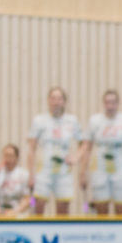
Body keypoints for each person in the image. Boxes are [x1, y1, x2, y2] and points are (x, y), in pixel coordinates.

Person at [81, 90, 122, 216]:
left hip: (121, 169)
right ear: (103, 103)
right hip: (100, 169)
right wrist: (83, 172)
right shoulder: (95, 121)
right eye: (107, 102)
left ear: (118, 104)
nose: (110, 106)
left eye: (113, 102)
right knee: (101, 208)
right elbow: (87, 148)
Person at [26, 86, 84, 216]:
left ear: (64, 101)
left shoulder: (72, 121)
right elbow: (31, 149)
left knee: (63, 206)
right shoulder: (39, 120)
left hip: (63, 171)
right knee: (38, 204)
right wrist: (31, 174)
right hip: (43, 170)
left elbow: (84, 143)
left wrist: (76, 157)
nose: (56, 102)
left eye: (59, 99)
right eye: (53, 98)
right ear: (48, 100)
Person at [0, 144, 32, 216]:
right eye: (5, 155)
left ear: (16, 157)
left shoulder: (24, 174)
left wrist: (16, 211)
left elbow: (32, 201)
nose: (7, 159)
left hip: (17, 212)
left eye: (10, 156)